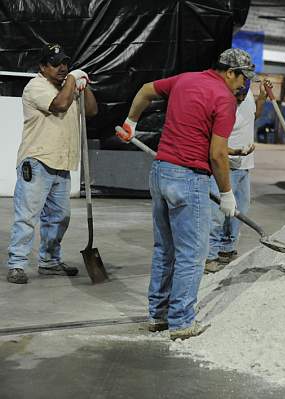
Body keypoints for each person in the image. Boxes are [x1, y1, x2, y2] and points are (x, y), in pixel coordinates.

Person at [115, 48, 255, 341]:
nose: (244, 85)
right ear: (230, 72)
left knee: (165, 249)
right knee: (192, 254)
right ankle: (181, 322)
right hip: (188, 179)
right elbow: (217, 154)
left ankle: (158, 315)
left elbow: (145, 90)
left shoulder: (185, 80)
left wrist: (131, 122)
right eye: (243, 78)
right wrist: (227, 194)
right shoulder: (225, 100)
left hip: (161, 172)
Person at [6, 43, 98, 284]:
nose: (62, 68)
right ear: (43, 67)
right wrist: (71, 81)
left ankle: (49, 261)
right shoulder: (36, 86)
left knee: (60, 217)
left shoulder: (68, 88)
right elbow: (59, 105)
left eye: (65, 63)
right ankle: (17, 263)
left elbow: (90, 112)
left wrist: (84, 86)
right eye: (56, 64)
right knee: (27, 216)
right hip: (37, 161)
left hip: (61, 163)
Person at [205, 79, 270, 273]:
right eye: (238, 95)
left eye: (244, 94)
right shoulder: (221, 101)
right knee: (217, 213)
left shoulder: (248, 94)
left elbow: (255, 115)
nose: (240, 98)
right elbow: (211, 140)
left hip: (244, 166)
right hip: (223, 166)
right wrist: (233, 151)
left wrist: (262, 96)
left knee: (240, 211)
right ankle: (209, 256)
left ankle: (227, 249)